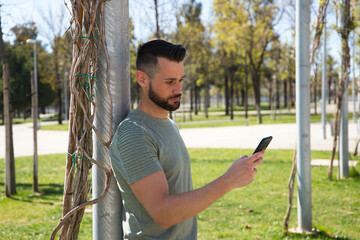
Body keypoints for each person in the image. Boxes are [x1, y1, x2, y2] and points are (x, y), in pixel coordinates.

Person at [110, 39, 265, 240]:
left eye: (181, 79)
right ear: (142, 79)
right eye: (169, 82)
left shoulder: (168, 124)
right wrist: (228, 181)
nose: (178, 89)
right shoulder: (134, 134)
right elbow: (163, 213)